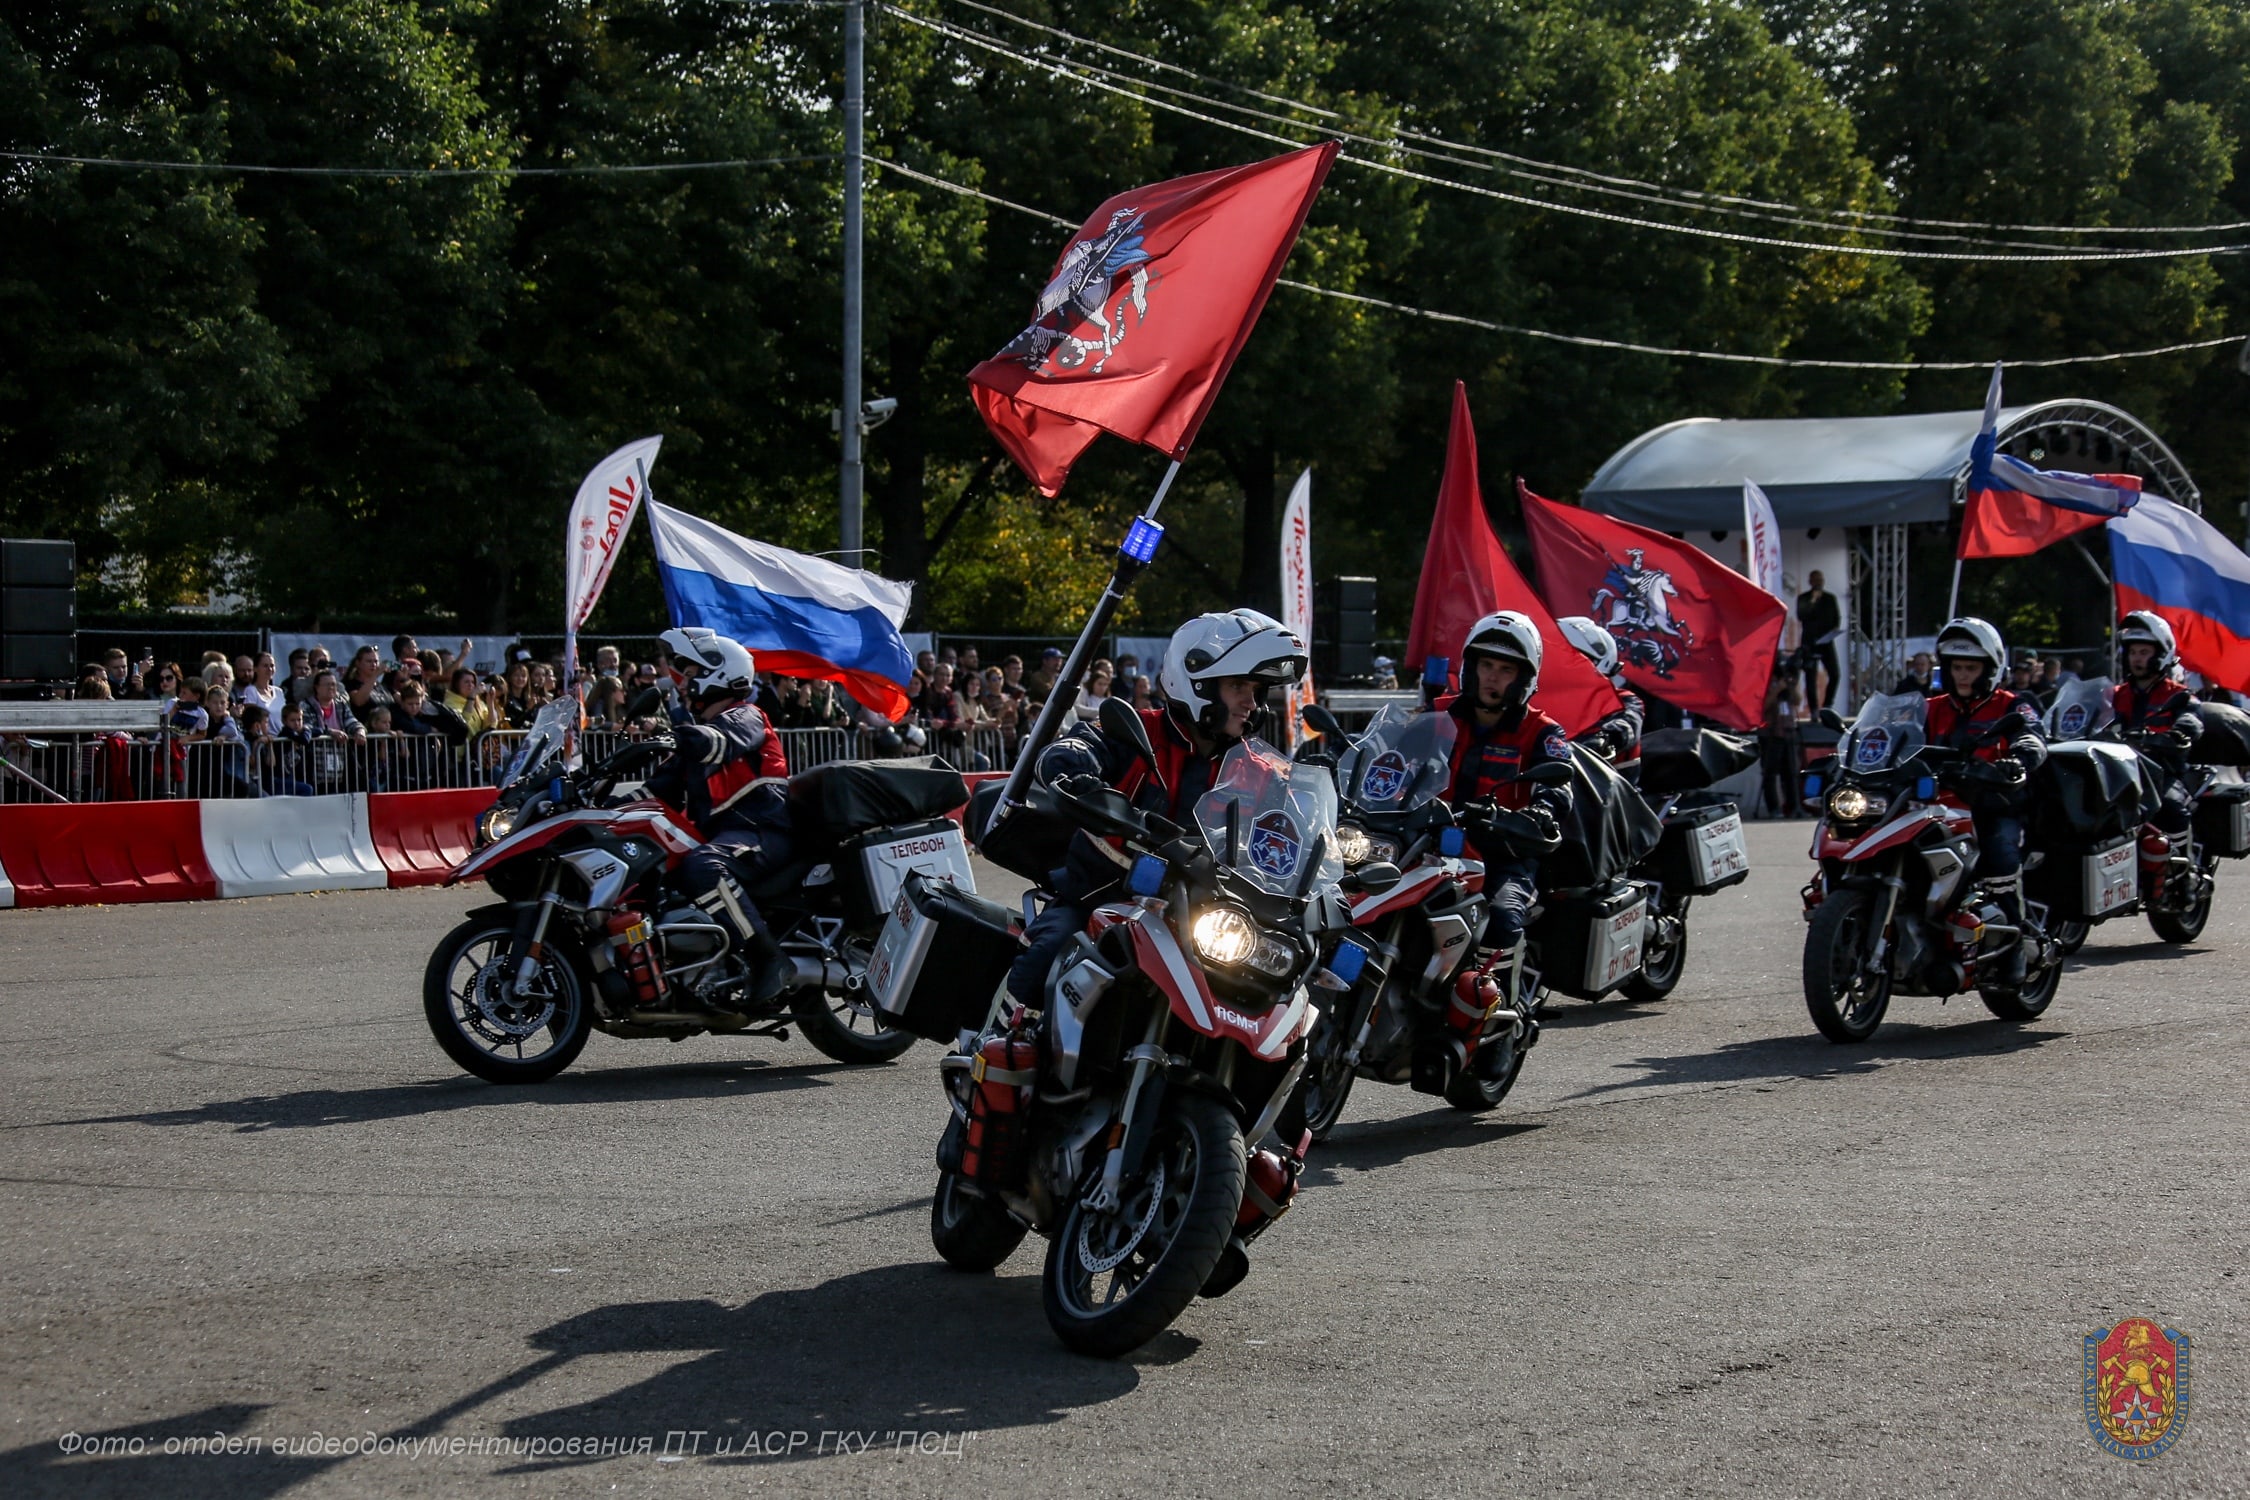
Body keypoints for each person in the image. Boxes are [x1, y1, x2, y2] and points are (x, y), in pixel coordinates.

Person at [1007, 609, 1310, 1010]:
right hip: (1100, 896)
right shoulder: (1131, 731)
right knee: (1050, 955)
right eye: (1239, 686)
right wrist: (1077, 775)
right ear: (1198, 683)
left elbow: (1293, 840)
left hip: (1204, 919)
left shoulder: (1260, 772)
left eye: (1256, 690)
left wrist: (1324, 874)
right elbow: (1070, 751)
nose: (1251, 702)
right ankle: (1005, 1042)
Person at [1436, 612, 1575, 1061]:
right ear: (1470, 666)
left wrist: (1541, 809)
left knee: (1500, 917)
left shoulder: (1542, 732)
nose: (1492, 677)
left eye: (1505, 669)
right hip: (1432, 843)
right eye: (1486, 665)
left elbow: (1560, 786)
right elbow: (1390, 755)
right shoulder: (1437, 716)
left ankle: (1501, 1019)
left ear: (1523, 678)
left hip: (1503, 852)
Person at [642, 627, 796, 1009]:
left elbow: (715, 742)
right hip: (728, 836)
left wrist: (672, 735)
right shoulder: (694, 742)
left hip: (763, 830)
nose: (684, 682)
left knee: (702, 867)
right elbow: (654, 792)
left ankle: (768, 958)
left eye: (691, 673)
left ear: (720, 673)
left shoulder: (747, 716)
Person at [1926, 617, 2047, 985]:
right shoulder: (1929, 707)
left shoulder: (2013, 704)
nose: (1963, 676)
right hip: (1936, 805)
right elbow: (1893, 738)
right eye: (1957, 667)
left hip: (1992, 805)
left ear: (1990, 668)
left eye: (1971, 667)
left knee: (1999, 856)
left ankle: (2016, 945)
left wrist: (2019, 758)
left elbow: (2032, 737)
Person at [2111, 611, 2202, 885]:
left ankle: (2186, 875)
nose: (2137, 658)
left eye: (2144, 651)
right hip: (2122, 770)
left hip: (2164, 772)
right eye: (2133, 651)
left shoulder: (2178, 694)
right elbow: (2095, 718)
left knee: (2171, 807)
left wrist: (2180, 732)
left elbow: (2192, 719)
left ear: (2161, 654)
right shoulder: (2116, 695)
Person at [1555, 616, 1643, 782]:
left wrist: (1604, 738)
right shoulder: (1538, 701)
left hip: (1608, 794)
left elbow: (1627, 723)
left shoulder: (1623, 702)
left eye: (1568, 656)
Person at [1758, 660, 1804, 818]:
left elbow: (1797, 700)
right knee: (1770, 773)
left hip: (1788, 732)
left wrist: (1790, 686)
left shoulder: (1787, 685)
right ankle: (1774, 808)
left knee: (1791, 772)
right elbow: (1762, 707)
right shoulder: (1765, 683)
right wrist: (1777, 690)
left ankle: (1793, 807)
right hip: (1770, 733)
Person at [1796, 570, 1842, 709]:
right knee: (1810, 677)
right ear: (1810, 582)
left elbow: (1836, 618)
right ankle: (1814, 709)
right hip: (1809, 643)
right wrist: (1813, 601)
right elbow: (1801, 616)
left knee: (1835, 674)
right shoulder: (1803, 598)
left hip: (1826, 642)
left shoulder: (1830, 598)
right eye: (1815, 580)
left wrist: (1833, 631)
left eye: (1820, 580)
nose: (1818, 583)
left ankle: (1827, 704)